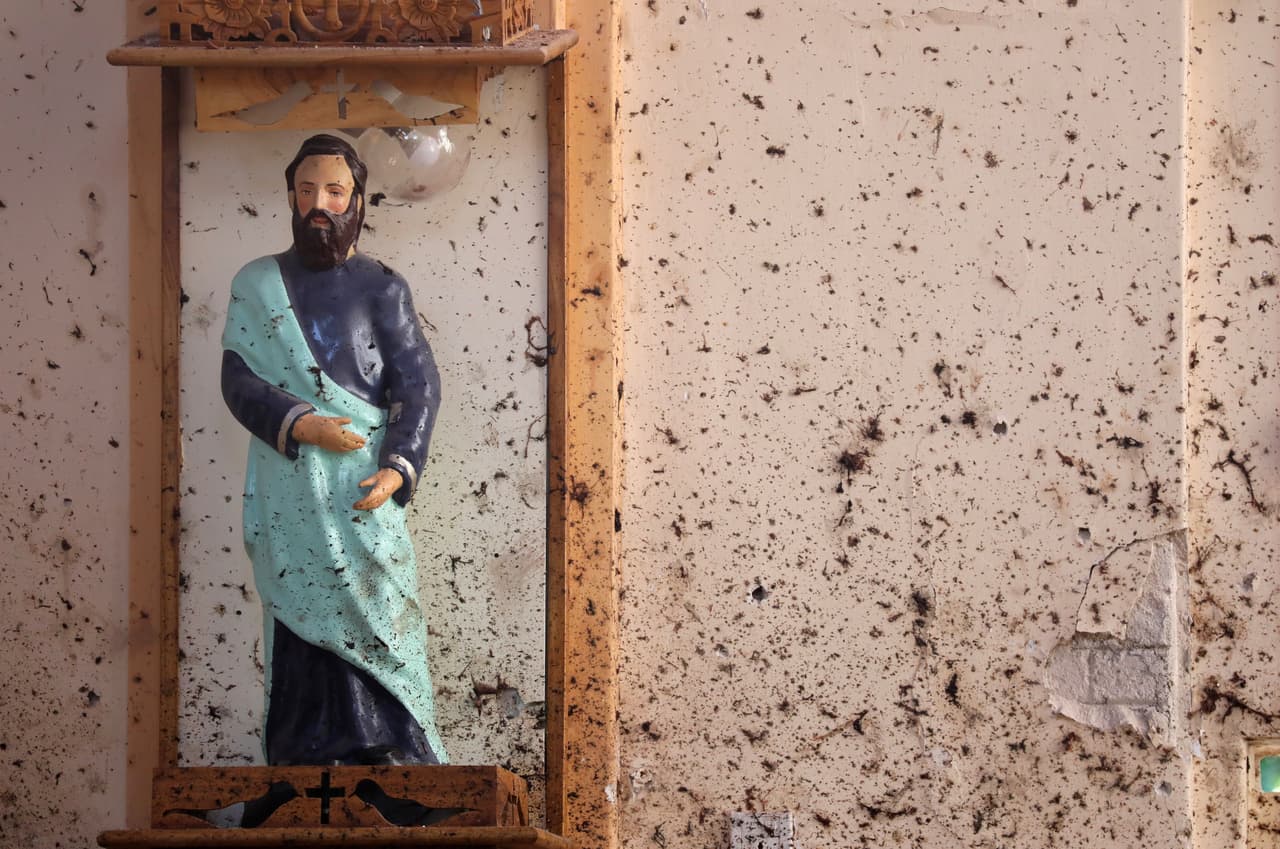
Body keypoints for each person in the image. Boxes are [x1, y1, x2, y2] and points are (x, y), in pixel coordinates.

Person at [220, 134, 447, 766]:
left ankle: (395, 746)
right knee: (298, 602)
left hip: (362, 481)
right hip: (292, 480)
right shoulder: (257, 284)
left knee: (381, 602)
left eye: (335, 191)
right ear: (291, 197)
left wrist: (398, 467)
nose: (320, 204)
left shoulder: (382, 286)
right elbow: (238, 380)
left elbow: (417, 383)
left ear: (359, 201)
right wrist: (301, 424)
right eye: (307, 190)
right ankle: (304, 751)